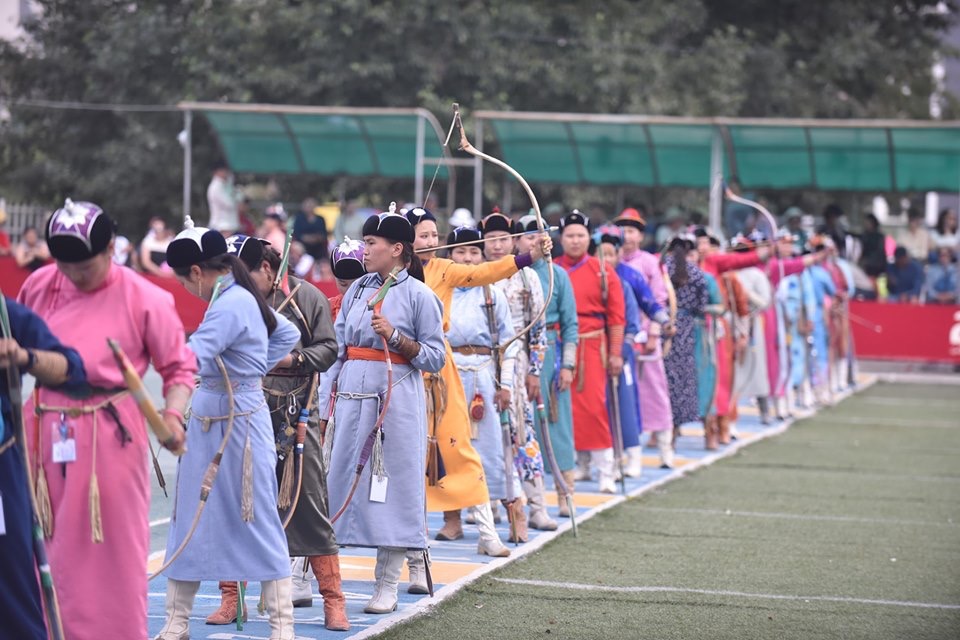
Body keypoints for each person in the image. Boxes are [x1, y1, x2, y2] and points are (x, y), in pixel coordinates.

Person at [18, 199, 196, 640]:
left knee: (112, 550)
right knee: (42, 547)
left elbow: (178, 369)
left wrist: (173, 415)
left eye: (86, 264)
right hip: (42, 426)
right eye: (66, 263)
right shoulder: (41, 284)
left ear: (109, 251)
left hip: (110, 432)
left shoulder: (145, 296)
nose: (75, 274)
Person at [157, 219, 301, 640]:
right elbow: (286, 332)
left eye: (185, 281)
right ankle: (176, 621)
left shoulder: (232, 301)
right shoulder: (236, 296)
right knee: (190, 515)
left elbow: (194, 356)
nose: (186, 288)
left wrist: (246, 370)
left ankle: (281, 627)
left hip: (237, 419)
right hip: (216, 413)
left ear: (198, 272)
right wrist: (250, 368)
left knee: (254, 514)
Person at [204, 235, 348, 631]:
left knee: (310, 504)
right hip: (246, 412)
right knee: (238, 502)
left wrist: (292, 358)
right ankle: (232, 598)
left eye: (245, 274)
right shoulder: (233, 300)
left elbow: (328, 348)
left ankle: (333, 601)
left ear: (267, 268)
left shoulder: (308, 298)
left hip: (295, 412)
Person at [323, 208, 446, 615]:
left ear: (397, 249)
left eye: (372, 243)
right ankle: (322, 583)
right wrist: (327, 403)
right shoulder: (357, 289)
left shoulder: (419, 295)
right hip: (351, 399)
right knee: (337, 482)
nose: (366, 249)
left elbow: (434, 357)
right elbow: (339, 351)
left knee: (391, 490)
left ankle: (387, 584)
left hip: (395, 404)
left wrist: (395, 337)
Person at [405, 205, 552, 543]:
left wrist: (528, 256)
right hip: (410, 372)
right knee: (426, 451)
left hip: (456, 374)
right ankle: (440, 522)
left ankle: (491, 528)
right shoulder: (398, 274)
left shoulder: (446, 269)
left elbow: (486, 273)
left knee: (468, 448)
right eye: (422, 235)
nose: (429, 241)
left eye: (432, 235)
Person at [0, 297, 86, 640]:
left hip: (2, 474)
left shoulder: (5, 314)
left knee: (13, 596)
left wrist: (23, 357)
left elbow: (71, 368)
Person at [445, 226, 517, 556]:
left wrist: (504, 384)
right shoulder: (439, 289)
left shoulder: (491, 293)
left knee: (485, 451)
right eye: (460, 252)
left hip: (484, 374)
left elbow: (507, 341)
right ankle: (452, 518)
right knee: (448, 448)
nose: (468, 258)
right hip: (447, 373)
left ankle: (487, 530)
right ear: (450, 257)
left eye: (474, 252)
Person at [480, 211, 553, 531]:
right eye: (490, 239)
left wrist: (534, 371)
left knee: (521, 432)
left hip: (518, 356)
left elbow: (538, 329)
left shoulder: (527, 275)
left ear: (513, 241)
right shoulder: (475, 273)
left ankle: (536, 505)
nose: (497, 245)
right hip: (481, 360)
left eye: (503, 239)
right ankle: (487, 503)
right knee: (482, 432)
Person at [556, 211, 625, 493]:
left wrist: (616, 352)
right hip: (557, 345)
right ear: (561, 238)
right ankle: (578, 464)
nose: (575, 241)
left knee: (594, 408)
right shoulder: (553, 268)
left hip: (593, 346)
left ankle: (606, 470)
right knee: (564, 409)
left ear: (589, 238)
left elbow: (617, 316)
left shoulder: (603, 270)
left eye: (580, 236)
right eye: (570, 236)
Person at [594, 224, 671, 475]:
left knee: (626, 403)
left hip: (624, 347)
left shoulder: (629, 277)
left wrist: (664, 323)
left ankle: (634, 456)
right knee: (597, 407)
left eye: (610, 253)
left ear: (618, 254)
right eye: (600, 253)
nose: (606, 259)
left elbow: (650, 303)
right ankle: (602, 461)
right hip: (593, 349)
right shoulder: (589, 274)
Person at [515, 214, 580, 515]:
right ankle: (518, 499)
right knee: (516, 427)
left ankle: (565, 491)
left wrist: (567, 365)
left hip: (550, 353)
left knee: (557, 424)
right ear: (517, 241)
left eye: (539, 234)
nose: (534, 240)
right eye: (527, 235)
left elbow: (570, 325)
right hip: (516, 353)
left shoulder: (558, 275)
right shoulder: (510, 273)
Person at [614, 207, 675, 467]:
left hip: (647, 335)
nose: (627, 236)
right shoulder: (610, 263)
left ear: (640, 235)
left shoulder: (649, 262)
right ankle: (626, 453)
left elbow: (658, 299)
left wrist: (654, 333)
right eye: (623, 230)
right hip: (621, 338)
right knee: (624, 396)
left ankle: (665, 448)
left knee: (656, 391)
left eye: (632, 231)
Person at [207, 165, 240, 236]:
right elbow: (229, 204)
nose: (226, 173)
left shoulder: (225, 184)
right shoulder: (216, 186)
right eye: (223, 171)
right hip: (222, 225)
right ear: (217, 172)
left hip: (228, 225)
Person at [858, 213, 888, 281]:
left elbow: (879, 253)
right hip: (866, 269)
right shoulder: (864, 236)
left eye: (868, 222)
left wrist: (867, 261)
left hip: (878, 268)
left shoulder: (879, 237)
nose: (866, 224)